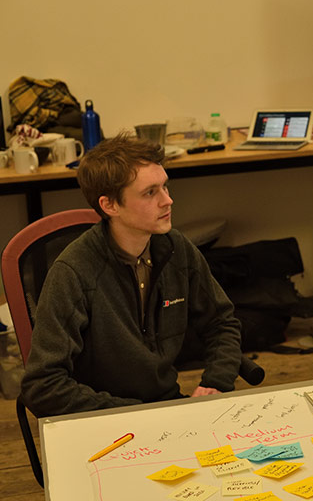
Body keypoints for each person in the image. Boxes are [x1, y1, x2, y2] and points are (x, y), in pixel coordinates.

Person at [20, 135, 242, 417]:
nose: (168, 200)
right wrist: (137, 413)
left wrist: (216, 381)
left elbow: (221, 322)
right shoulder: (73, 273)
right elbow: (43, 386)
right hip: (102, 417)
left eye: (165, 186)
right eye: (150, 192)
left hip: (166, 406)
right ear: (110, 205)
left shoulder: (176, 249)